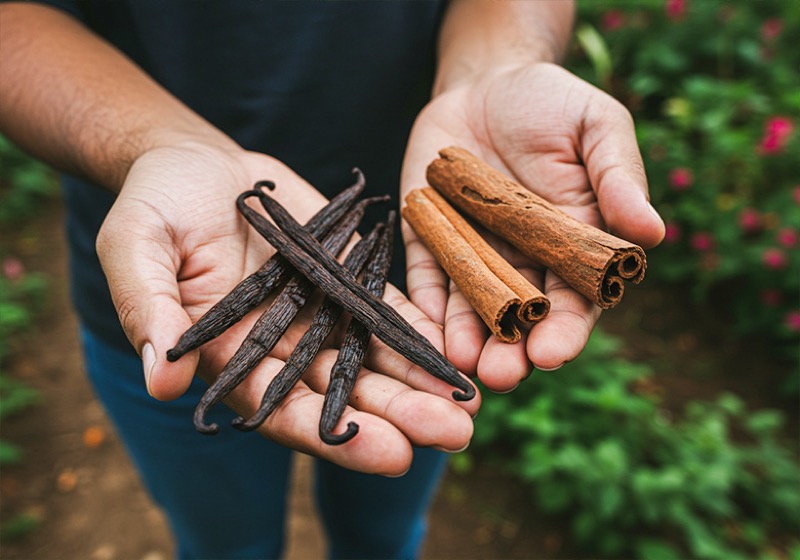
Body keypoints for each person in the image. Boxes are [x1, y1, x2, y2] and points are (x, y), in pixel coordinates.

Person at [0, 1, 665, 558]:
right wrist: (158, 141)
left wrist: (501, 63)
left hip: (427, 289)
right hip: (191, 273)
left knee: (381, 535)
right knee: (226, 547)